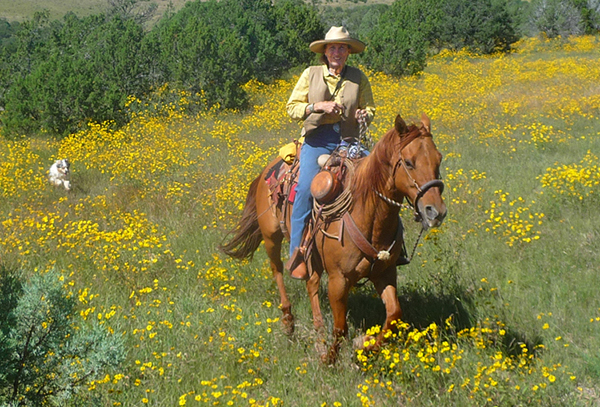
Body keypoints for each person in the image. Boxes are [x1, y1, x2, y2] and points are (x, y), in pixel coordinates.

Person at [285, 26, 375, 280]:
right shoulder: (310, 74)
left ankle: (390, 245)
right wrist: (316, 106)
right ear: (325, 52)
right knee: (304, 189)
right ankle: (297, 255)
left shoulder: (359, 77)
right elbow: (291, 108)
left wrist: (363, 114)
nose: (337, 52)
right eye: (332, 47)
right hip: (317, 140)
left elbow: (370, 107)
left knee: (379, 178)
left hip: (349, 140)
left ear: (348, 52)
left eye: (342, 47)